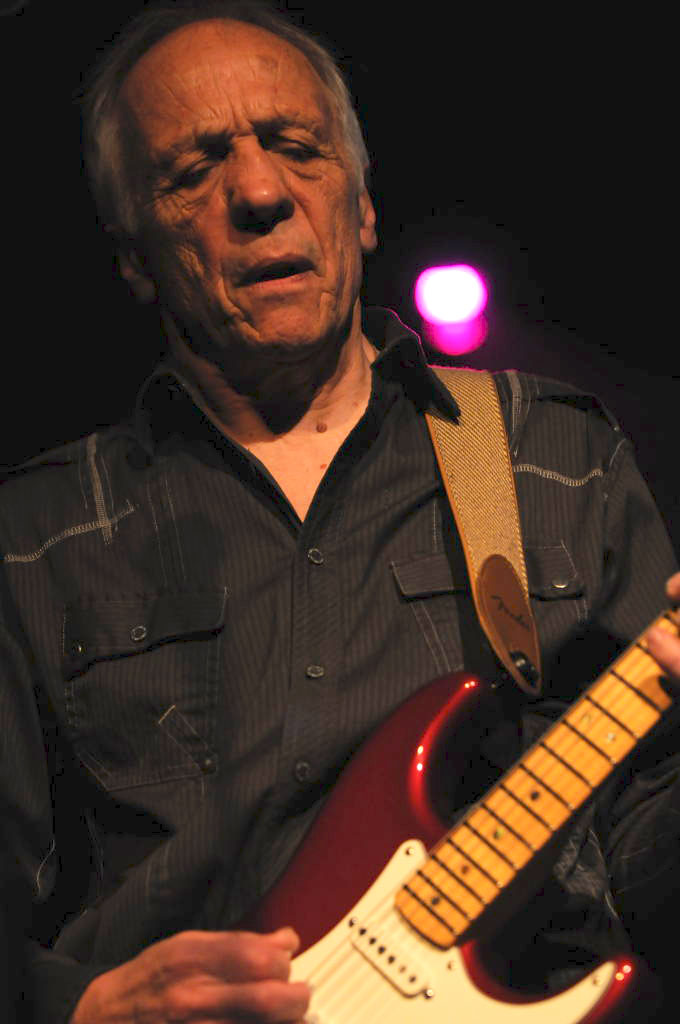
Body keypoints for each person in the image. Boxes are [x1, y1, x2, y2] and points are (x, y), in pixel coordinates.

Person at [1, 1, 679, 1021]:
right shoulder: (34, 540)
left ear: (361, 207)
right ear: (133, 256)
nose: (260, 192)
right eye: (194, 170)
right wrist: (83, 1005)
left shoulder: (553, 456)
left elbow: (644, 854)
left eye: (295, 147)